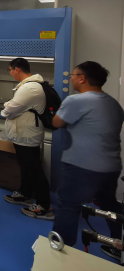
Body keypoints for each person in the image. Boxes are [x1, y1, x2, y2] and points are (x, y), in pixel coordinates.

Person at [51, 61, 124, 255]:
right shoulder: (113, 103)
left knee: (68, 205)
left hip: (82, 166)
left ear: (82, 78)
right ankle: (119, 245)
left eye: (72, 76)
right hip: (111, 166)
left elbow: (56, 122)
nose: (71, 79)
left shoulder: (76, 100)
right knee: (110, 205)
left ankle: (60, 251)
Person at [2, 58, 53, 220]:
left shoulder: (30, 88)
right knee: (26, 167)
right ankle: (25, 194)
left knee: (34, 169)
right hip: (24, 135)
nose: (10, 73)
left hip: (27, 135)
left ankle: (44, 206)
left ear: (17, 69)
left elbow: (10, 109)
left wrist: (6, 107)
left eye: (10, 70)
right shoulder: (28, 86)